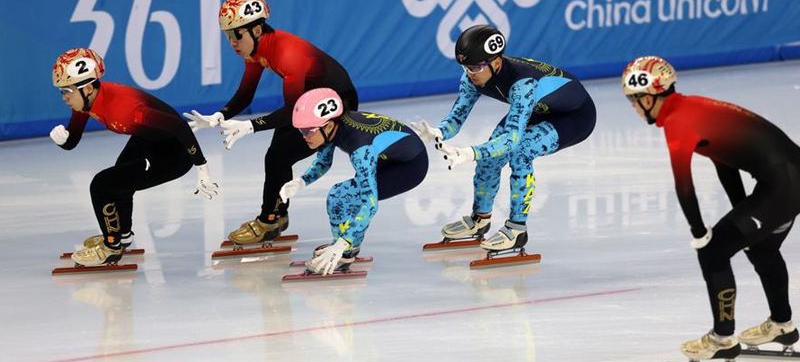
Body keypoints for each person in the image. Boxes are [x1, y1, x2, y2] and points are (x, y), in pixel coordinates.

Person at [621, 56, 800, 360]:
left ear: (649, 97)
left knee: (713, 252)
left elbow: (683, 183)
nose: (634, 110)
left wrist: (700, 231)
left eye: (634, 102)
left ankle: (722, 339)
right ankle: (782, 326)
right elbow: (724, 160)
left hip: (782, 185)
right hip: (789, 179)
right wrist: (741, 208)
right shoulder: (693, 107)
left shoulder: (678, 121)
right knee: (761, 249)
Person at [185, 0, 358, 245]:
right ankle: (276, 215)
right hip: (310, 102)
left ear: (256, 29)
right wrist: (219, 115)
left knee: (280, 154)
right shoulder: (255, 50)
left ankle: (269, 220)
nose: (232, 42)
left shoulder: (287, 53)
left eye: (237, 35)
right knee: (278, 153)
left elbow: (291, 111)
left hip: (336, 106)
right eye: (228, 35)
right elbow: (245, 94)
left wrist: (250, 126)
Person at [412, 24, 596, 254]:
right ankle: (480, 219)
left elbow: (511, 140)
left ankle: (517, 229)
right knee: (489, 159)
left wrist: (469, 153)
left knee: (521, 152)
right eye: (465, 67)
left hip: (574, 116)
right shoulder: (472, 76)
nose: (470, 73)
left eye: (476, 67)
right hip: (538, 109)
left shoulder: (523, 84)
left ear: (496, 63)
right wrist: (439, 132)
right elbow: (457, 117)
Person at [51, 48, 218, 267]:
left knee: (102, 185)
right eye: (61, 91)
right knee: (121, 176)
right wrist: (63, 140)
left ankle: (111, 248)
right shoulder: (84, 101)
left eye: (66, 91)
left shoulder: (127, 108)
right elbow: (72, 141)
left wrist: (202, 168)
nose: (64, 97)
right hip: (149, 139)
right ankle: (122, 234)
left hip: (174, 154)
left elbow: (179, 126)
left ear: (88, 88)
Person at [279, 88, 427, 275]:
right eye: (301, 129)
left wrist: (341, 244)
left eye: (308, 130)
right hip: (389, 157)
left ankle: (344, 253)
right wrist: (301, 182)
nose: (303, 135)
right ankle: (348, 246)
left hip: (409, 167)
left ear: (329, 126)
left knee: (340, 195)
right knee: (343, 195)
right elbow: (323, 162)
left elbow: (370, 203)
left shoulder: (360, 150)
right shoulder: (334, 127)